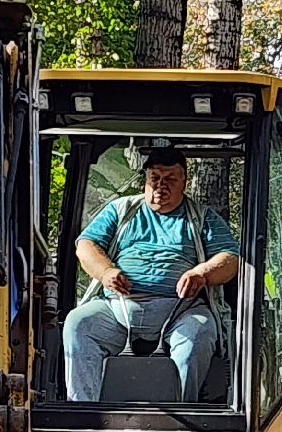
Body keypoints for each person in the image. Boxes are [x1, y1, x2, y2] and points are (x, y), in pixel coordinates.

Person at [66, 147, 241, 402]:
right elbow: (86, 245)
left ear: (184, 181)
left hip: (181, 311)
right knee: (78, 323)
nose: (161, 186)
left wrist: (201, 273)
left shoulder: (202, 218)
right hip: (117, 309)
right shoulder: (121, 210)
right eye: (155, 178)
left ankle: (182, 412)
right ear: (145, 179)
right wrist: (105, 272)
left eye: (170, 179)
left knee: (200, 333)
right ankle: (83, 408)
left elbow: (230, 258)